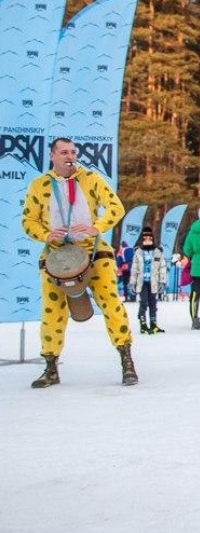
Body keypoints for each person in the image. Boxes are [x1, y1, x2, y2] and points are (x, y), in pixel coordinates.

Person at [21, 137, 138, 387]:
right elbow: (28, 220)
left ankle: (127, 361)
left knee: (111, 304)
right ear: (52, 155)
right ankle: (51, 367)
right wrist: (45, 234)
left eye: (73, 152)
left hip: (94, 254)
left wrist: (98, 227)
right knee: (52, 312)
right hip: (56, 257)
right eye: (63, 152)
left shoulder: (91, 179)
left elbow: (115, 208)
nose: (70, 156)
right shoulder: (39, 186)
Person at [129, 226, 169, 334]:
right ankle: (143, 324)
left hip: (153, 282)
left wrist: (163, 281)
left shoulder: (157, 252)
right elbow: (134, 268)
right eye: (145, 237)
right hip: (142, 283)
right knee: (144, 302)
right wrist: (132, 283)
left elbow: (162, 267)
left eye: (149, 237)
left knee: (153, 302)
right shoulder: (138, 252)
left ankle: (153, 324)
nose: (147, 239)